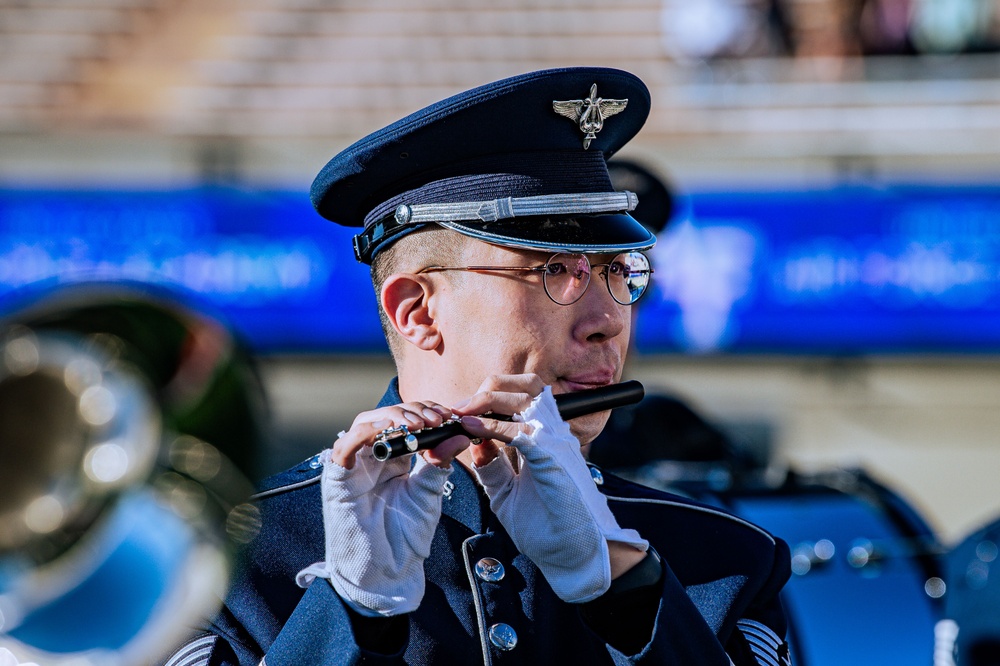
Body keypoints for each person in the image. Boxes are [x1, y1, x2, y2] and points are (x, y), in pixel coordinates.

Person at [163, 67, 791, 666]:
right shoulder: (219, 564)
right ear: (417, 312)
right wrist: (350, 614)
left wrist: (629, 594)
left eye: (616, 271)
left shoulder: (725, 559)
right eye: (554, 271)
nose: (609, 319)